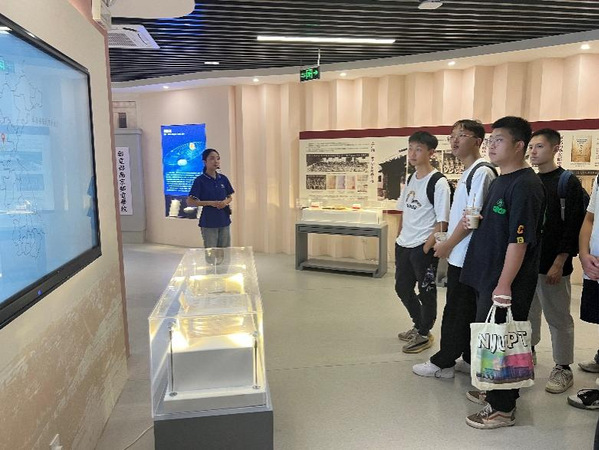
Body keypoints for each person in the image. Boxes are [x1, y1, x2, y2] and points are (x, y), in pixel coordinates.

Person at [460, 116, 545, 429]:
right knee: (490, 339)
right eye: (490, 139)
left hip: (505, 280)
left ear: (519, 145)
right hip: (488, 275)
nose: (491, 145)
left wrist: (505, 285)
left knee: (504, 341)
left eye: (499, 140)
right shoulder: (500, 179)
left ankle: (502, 409)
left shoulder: (526, 185)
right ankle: (492, 390)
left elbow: (519, 241)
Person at [412, 119, 497, 378]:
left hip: (467, 256)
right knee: (464, 310)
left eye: (462, 135)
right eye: (452, 136)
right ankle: (467, 358)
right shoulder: (470, 172)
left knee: (456, 311)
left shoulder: (482, 172)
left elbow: (472, 217)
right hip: (461, 254)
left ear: (478, 141)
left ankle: (444, 362)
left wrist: (448, 244)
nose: (455, 140)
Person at [527, 129, 585, 394]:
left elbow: (573, 225)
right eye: (531, 146)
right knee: (528, 314)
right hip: (529, 263)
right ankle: (528, 353)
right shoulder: (530, 180)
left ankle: (563, 367)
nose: (533, 151)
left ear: (554, 149)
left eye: (539, 146)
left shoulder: (566, 182)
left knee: (558, 317)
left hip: (554, 264)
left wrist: (560, 261)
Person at [395, 131, 451, 353]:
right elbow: (404, 211)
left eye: (418, 149)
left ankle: (424, 333)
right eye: (410, 148)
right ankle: (419, 325)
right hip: (404, 244)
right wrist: (399, 238)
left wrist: (427, 247)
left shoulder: (439, 183)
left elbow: (442, 221)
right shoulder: (411, 177)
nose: (412, 153)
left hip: (422, 247)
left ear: (431, 153)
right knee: (402, 287)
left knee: (426, 291)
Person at [187, 148, 234, 248]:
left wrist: (225, 202)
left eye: (218, 158)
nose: (216, 161)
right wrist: (210, 203)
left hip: (224, 220)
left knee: (225, 251)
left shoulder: (223, 179)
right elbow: (190, 201)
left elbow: (230, 197)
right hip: (209, 222)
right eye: (212, 158)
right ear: (205, 162)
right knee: (211, 253)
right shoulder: (200, 180)